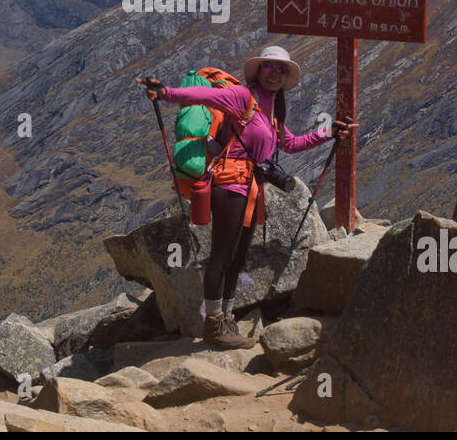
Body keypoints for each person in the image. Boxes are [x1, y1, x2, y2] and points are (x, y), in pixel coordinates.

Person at [135, 45, 355, 349]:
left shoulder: (273, 109)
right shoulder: (243, 96)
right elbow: (204, 97)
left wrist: (327, 133)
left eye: (281, 70)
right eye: (269, 67)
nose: (275, 74)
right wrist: (165, 93)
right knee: (222, 256)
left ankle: (225, 319)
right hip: (229, 182)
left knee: (237, 258)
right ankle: (212, 325)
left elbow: (289, 144)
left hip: (251, 186)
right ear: (259, 71)